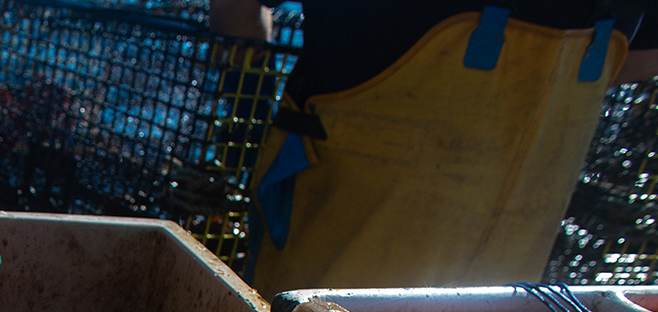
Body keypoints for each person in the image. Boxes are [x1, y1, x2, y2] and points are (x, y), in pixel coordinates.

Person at [209, 1, 658, 296]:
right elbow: (639, 59)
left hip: (339, 247)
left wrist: (249, 95)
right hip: (507, 274)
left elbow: (235, 11)